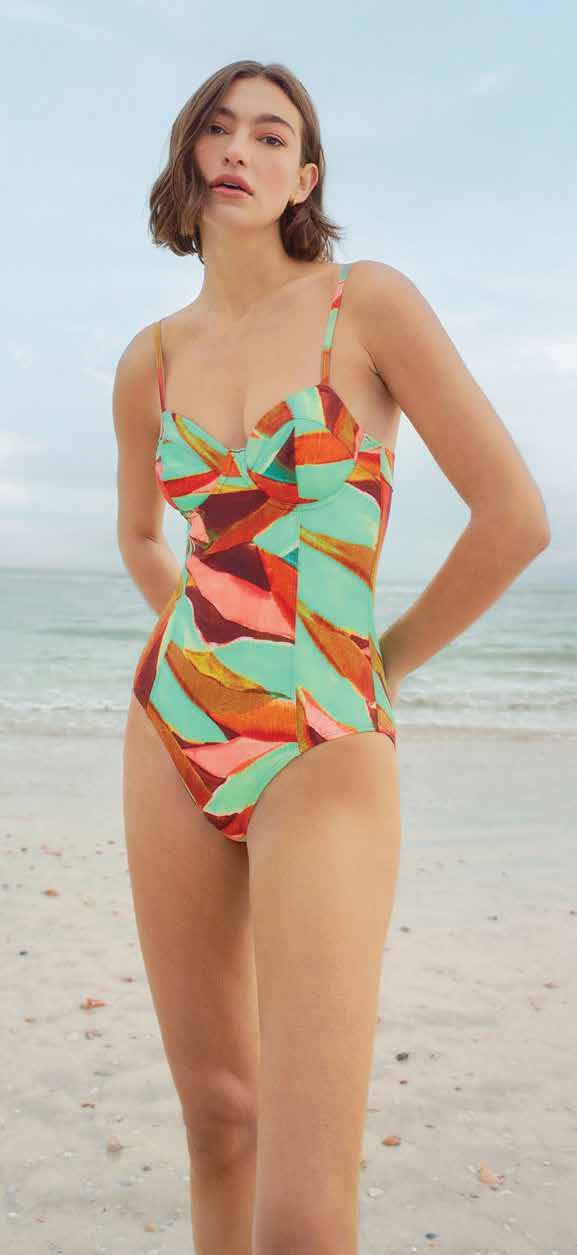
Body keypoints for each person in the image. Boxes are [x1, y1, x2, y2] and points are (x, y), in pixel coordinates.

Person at [112, 58, 550, 1255]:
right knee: (218, 1119)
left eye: (271, 135)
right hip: (172, 725)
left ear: (304, 178)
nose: (238, 149)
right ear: (188, 157)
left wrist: (380, 664)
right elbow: (143, 535)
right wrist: (188, 626)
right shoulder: (149, 359)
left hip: (324, 737)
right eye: (217, 127)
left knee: (305, 1212)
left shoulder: (368, 304)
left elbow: (514, 517)